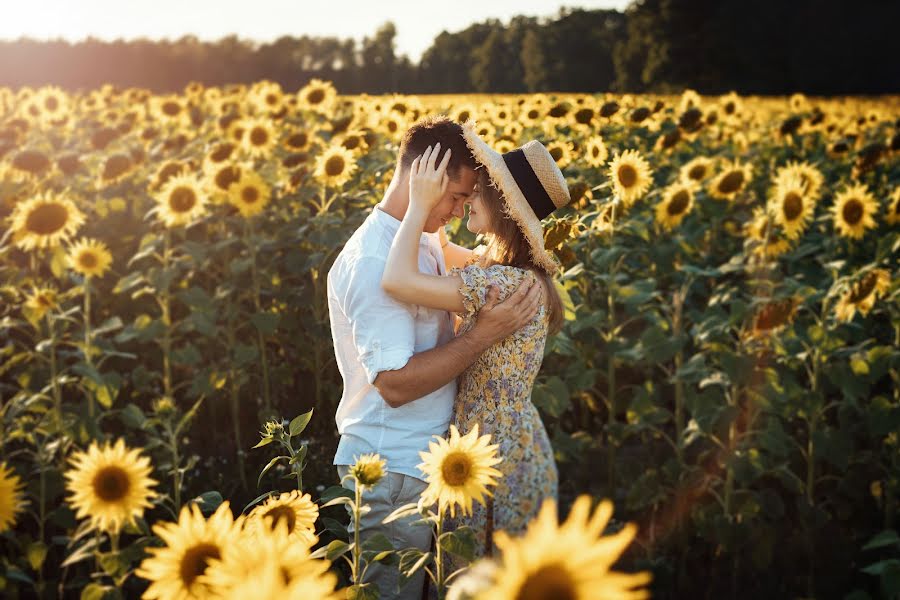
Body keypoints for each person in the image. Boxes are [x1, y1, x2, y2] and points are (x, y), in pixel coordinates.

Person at [327, 115, 543, 600]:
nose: (459, 210)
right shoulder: (373, 262)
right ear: (423, 176)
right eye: (456, 197)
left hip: (420, 464)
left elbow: (481, 266)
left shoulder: (418, 236)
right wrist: (480, 337)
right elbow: (395, 385)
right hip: (391, 469)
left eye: (469, 200)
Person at [381, 120, 570, 562]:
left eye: (477, 190)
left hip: (489, 461)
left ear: (501, 204)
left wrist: (420, 206)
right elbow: (440, 250)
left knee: (473, 580)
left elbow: (397, 278)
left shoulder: (497, 283)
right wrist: (433, 205)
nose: (465, 200)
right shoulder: (512, 273)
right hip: (521, 447)